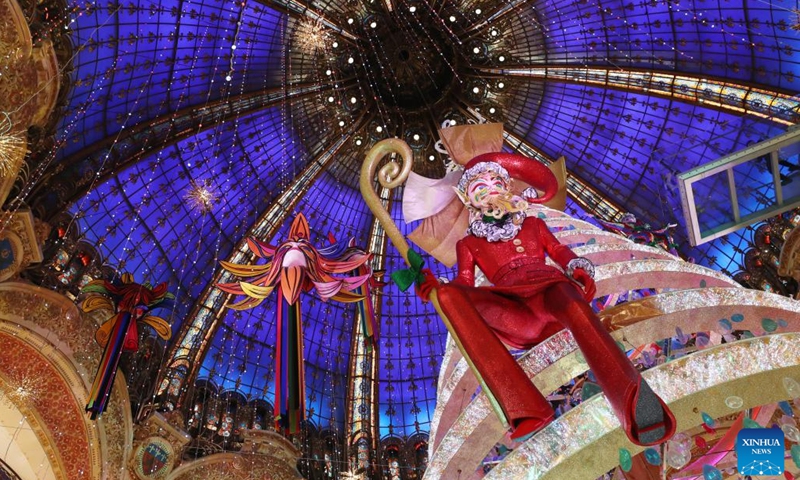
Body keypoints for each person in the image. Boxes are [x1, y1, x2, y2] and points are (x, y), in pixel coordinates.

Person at [414, 150, 676, 446]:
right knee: (450, 295)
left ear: (507, 187)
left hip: (551, 294)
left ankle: (631, 400)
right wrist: (437, 290)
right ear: (468, 201)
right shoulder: (469, 244)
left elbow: (560, 252)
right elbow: (464, 283)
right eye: (479, 189)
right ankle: (525, 409)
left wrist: (578, 267)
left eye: (495, 184)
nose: (490, 194)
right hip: (513, 311)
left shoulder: (532, 225)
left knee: (570, 299)